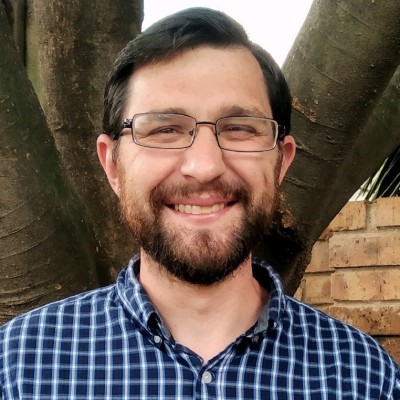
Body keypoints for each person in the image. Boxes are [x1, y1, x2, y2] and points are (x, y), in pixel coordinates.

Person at [1, 7, 399, 400]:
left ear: (281, 162)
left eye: (239, 128)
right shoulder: (17, 369)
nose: (205, 166)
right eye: (165, 129)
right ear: (113, 166)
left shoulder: (366, 379)